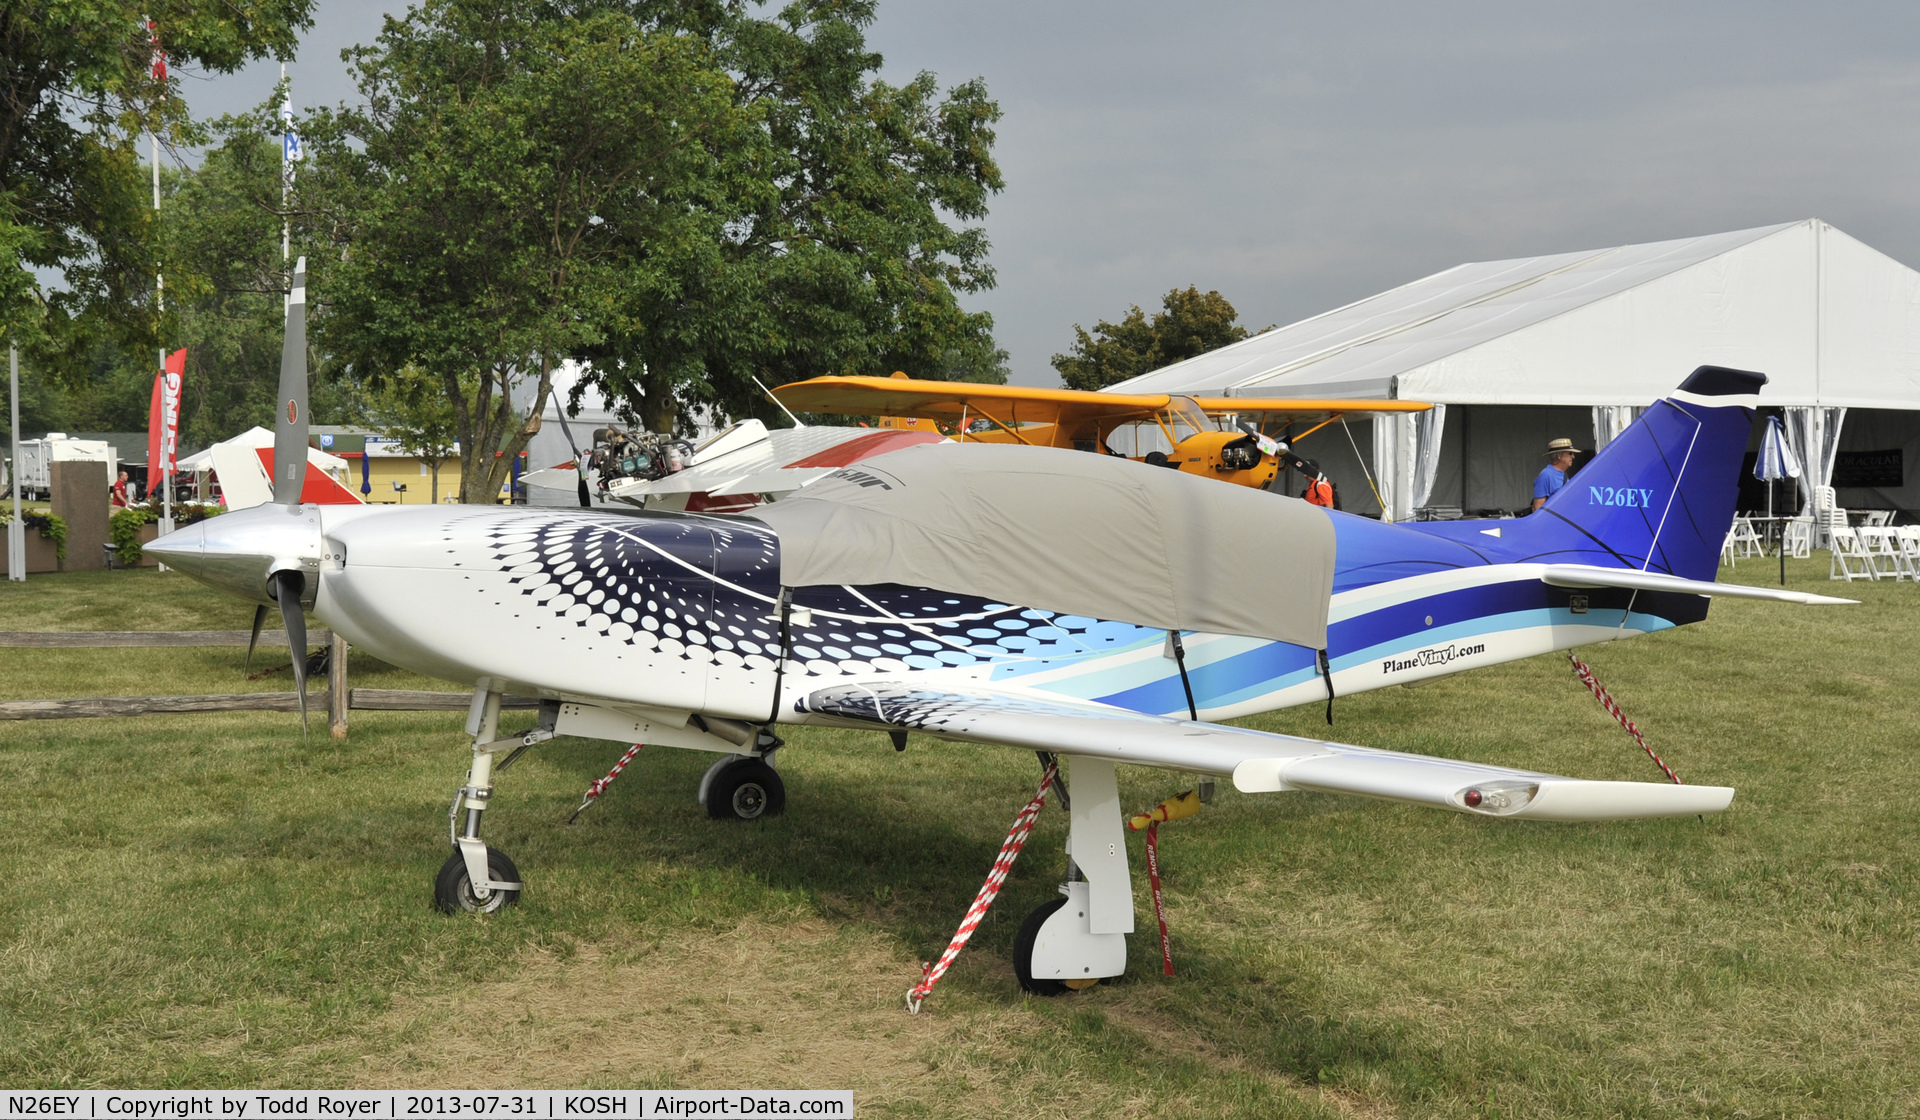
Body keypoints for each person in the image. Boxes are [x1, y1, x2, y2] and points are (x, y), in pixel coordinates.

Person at [1530, 438, 1580, 513]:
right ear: (1559, 455)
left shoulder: (1563, 474)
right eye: (1570, 453)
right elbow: (1538, 509)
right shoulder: (1546, 475)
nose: (1573, 456)